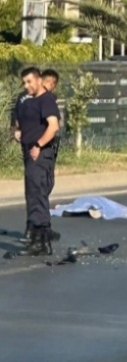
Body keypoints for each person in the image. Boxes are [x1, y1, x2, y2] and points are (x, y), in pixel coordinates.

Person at [15, 67, 61, 256]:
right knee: (32, 194)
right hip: (29, 152)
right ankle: (34, 237)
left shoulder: (46, 100)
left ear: (39, 80)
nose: (26, 86)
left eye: (29, 82)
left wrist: (38, 145)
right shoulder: (28, 101)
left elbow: (53, 126)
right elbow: (19, 122)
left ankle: (41, 242)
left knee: (38, 194)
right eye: (24, 82)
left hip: (40, 154)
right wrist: (17, 132)